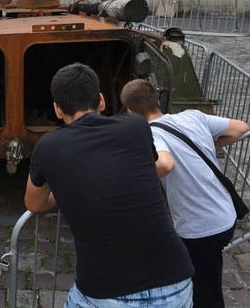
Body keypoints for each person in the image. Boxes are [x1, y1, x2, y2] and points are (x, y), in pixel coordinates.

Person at [24, 63, 194, 307]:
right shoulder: (137, 126)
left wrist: (70, 190)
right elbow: (145, 168)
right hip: (174, 281)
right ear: (101, 101)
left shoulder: (48, 146)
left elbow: (34, 202)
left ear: (58, 110)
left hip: (104, 290)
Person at [120, 79, 250, 308]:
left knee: (205, 293)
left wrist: (133, 181)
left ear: (130, 112)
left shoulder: (150, 136)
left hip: (200, 229)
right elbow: (241, 128)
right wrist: (209, 145)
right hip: (226, 215)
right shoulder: (193, 116)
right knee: (200, 271)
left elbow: (166, 164)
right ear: (158, 99)